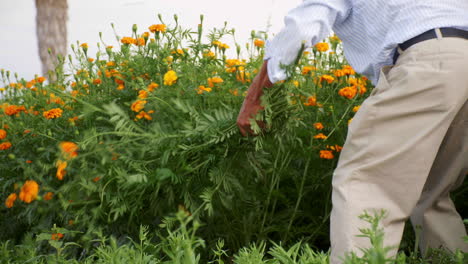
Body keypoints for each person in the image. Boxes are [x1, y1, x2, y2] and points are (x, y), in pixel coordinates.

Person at [236, 0, 468, 262]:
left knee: (364, 184)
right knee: (431, 192)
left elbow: (303, 27)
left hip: (429, 61)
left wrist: (256, 95)